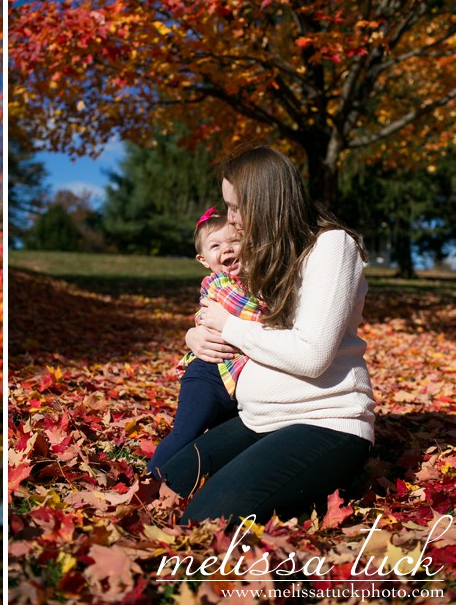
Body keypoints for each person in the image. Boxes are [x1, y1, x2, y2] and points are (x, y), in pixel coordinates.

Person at [158, 146, 375, 525]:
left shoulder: (332, 246)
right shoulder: (268, 252)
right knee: (167, 482)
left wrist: (229, 327)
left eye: (236, 207)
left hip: (324, 422)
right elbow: (236, 309)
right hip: (259, 418)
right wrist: (197, 334)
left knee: (206, 519)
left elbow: (311, 355)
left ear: (266, 201)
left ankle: (329, 477)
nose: (230, 219)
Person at [146, 207, 262, 475]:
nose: (227, 249)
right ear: (203, 259)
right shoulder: (219, 284)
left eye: (234, 241)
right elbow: (252, 313)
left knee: (217, 442)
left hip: (235, 381)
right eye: (216, 245)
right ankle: (150, 479)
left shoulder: (254, 282)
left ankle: (187, 481)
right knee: (185, 434)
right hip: (208, 374)